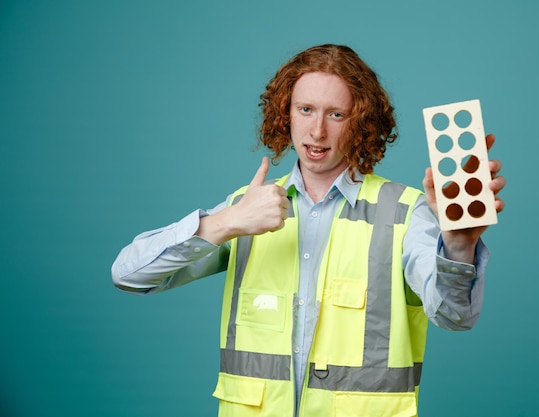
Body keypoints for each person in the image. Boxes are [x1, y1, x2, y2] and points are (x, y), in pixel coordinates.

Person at [112, 44, 506, 417]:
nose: (317, 131)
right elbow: (128, 275)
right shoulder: (247, 207)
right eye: (305, 109)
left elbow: (455, 316)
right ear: (287, 114)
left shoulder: (404, 212)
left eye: (336, 114)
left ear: (361, 123)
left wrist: (458, 244)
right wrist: (228, 222)